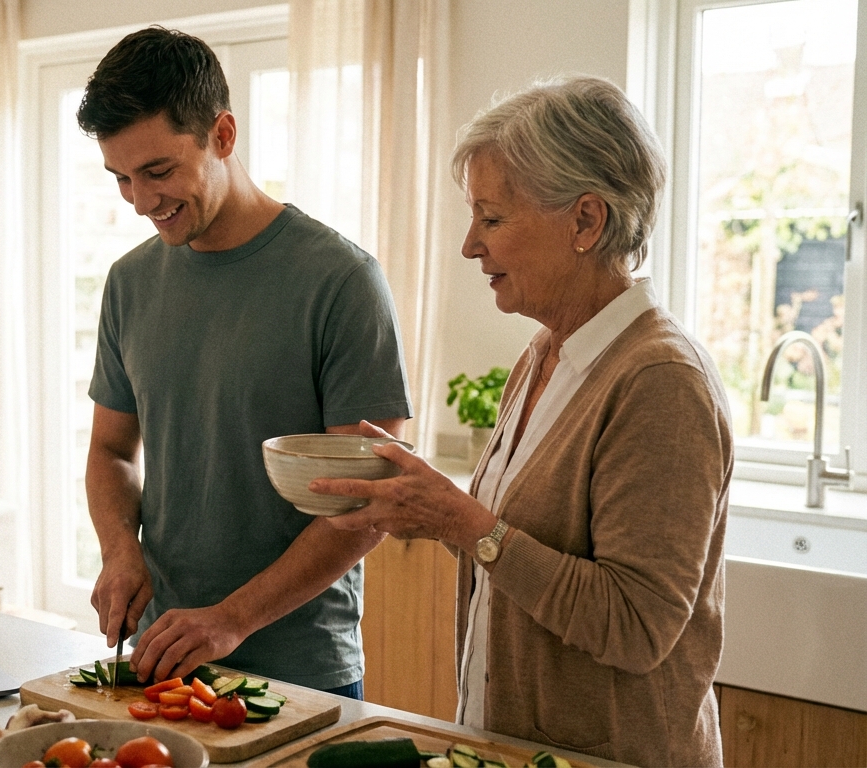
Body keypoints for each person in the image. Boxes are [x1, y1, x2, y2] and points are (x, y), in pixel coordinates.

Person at [310, 76, 730, 766]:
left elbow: (636, 626)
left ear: (586, 222)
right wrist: (427, 507)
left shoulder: (660, 379)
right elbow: (516, 550)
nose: (470, 245)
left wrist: (462, 522)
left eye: (492, 218)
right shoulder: (544, 355)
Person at [78, 27, 412, 698]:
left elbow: (367, 503)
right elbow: (111, 450)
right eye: (122, 179)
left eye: (158, 172)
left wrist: (232, 619)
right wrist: (120, 549)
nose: (140, 202)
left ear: (223, 135)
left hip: (304, 673)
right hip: (165, 660)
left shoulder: (341, 281)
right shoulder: (128, 283)